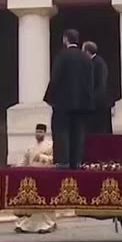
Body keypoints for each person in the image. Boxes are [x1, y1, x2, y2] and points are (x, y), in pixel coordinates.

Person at [44, 29, 94, 169]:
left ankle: (63, 161)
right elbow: (90, 81)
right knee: (78, 132)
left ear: (66, 39)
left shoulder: (62, 56)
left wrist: (50, 97)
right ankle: (76, 161)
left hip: (63, 102)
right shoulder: (86, 58)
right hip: (82, 103)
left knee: (61, 131)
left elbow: (56, 77)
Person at [14, 124, 57, 234]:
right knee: (30, 201)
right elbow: (25, 160)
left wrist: (42, 157)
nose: (38, 134)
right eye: (37, 132)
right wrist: (17, 167)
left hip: (45, 176)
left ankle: (48, 223)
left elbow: (55, 159)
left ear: (44, 133)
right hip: (31, 177)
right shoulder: (31, 146)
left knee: (43, 200)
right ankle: (25, 225)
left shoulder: (50, 145)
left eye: (41, 132)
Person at [83, 41, 113, 135]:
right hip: (98, 104)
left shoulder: (98, 63)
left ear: (87, 52)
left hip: (99, 105)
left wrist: (92, 101)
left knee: (100, 132)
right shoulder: (95, 62)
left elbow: (100, 84)